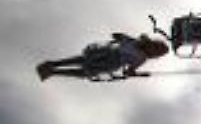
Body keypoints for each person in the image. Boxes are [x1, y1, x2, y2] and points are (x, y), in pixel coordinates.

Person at [36, 33, 167, 81]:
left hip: (113, 63)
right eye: (157, 50)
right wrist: (124, 38)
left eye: (158, 54)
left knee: (86, 71)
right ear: (153, 44)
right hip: (110, 53)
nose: (155, 53)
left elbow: (130, 70)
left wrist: (134, 73)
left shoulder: (142, 58)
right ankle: (52, 65)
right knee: (83, 60)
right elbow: (116, 35)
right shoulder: (136, 43)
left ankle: (53, 71)